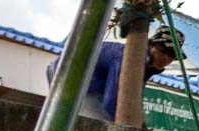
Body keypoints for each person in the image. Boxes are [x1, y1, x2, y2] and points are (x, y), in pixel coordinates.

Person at [44, 25, 184, 121]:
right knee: (102, 122)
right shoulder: (128, 59)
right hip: (68, 73)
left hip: (87, 83)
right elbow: (112, 99)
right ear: (151, 45)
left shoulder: (147, 68)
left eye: (172, 56)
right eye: (163, 51)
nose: (166, 58)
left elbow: (132, 99)